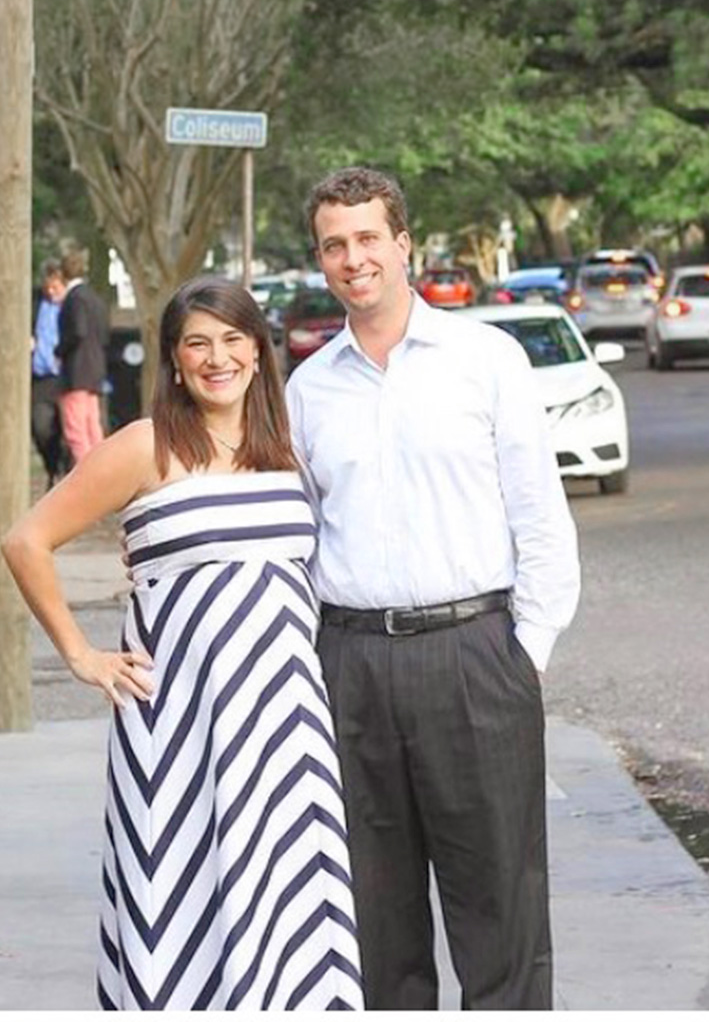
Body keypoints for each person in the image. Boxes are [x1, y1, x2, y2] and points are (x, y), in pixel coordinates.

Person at [4, 274, 363, 1012]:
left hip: (285, 725)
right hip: (179, 725)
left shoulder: (286, 446)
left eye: (232, 340)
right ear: (173, 359)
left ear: (258, 351)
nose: (217, 358)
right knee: (176, 897)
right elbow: (26, 540)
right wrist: (81, 655)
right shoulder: (146, 446)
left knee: (289, 900)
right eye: (197, 344)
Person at [290, 166, 582, 1009]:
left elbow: (540, 516)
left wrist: (524, 653)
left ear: (403, 244)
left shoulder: (485, 360)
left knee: (500, 911)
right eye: (334, 245)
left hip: (474, 656)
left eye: (367, 238)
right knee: (372, 921)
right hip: (350, 666)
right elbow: (299, 537)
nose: (353, 259)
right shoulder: (308, 390)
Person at [53, 249, 110, 479]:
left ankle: (89, 479)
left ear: (63, 273)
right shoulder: (95, 299)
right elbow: (103, 334)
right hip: (95, 369)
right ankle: (104, 472)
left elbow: (78, 330)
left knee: (75, 430)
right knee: (93, 427)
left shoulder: (74, 299)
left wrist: (59, 350)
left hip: (75, 371)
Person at [32, 263, 69, 478]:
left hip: (65, 375)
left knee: (68, 428)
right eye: (48, 287)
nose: (51, 291)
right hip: (42, 376)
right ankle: (51, 466)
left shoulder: (72, 306)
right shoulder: (38, 305)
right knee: (40, 426)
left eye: (56, 287)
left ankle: (64, 469)